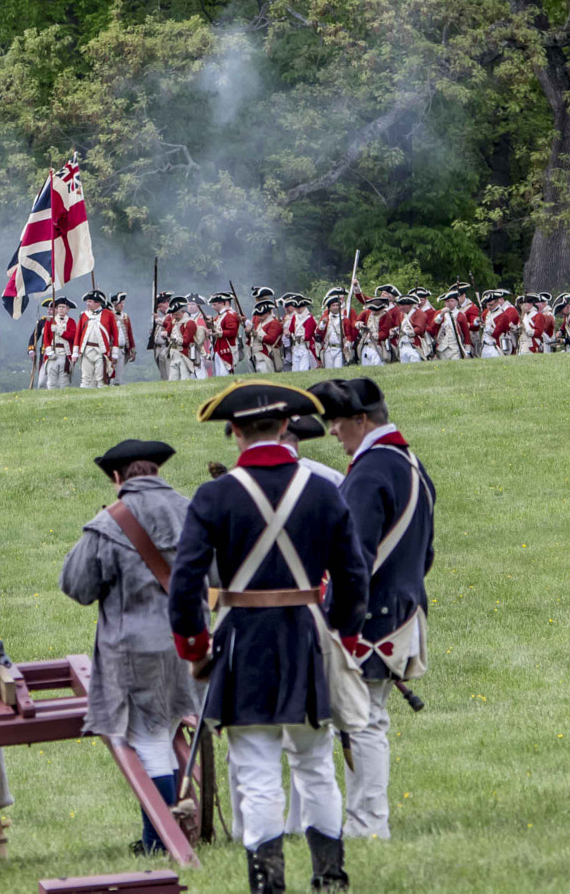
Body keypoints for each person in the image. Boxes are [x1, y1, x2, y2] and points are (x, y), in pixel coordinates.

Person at [169, 381, 367, 893]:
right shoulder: (322, 489)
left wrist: (194, 647)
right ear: (285, 427)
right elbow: (353, 574)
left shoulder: (215, 495)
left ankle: (268, 885)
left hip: (241, 643)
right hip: (306, 637)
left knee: (255, 770)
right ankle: (330, 878)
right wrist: (343, 636)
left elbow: (186, 581)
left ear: (234, 432)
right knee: (316, 765)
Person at [59, 438, 198, 856]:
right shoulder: (193, 511)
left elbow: (78, 586)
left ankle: (160, 843)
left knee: (150, 743)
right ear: (157, 471)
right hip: (190, 643)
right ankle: (171, 833)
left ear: (117, 478)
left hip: (137, 650)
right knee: (168, 733)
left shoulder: (111, 520)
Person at [311, 377, 435, 842]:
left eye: (338, 422)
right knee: (365, 721)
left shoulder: (370, 472)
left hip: (366, 618)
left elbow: (351, 559)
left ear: (361, 421)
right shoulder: (409, 464)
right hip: (398, 611)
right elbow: (426, 555)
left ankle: (366, 827)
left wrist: (341, 626)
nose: (333, 432)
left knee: (362, 724)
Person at [33, 296, 79, 389]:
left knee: (64, 381)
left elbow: (72, 337)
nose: (61, 309)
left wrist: (60, 331)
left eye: (63, 307)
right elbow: (46, 337)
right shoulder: (50, 321)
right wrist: (49, 350)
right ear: (56, 309)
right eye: (59, 307)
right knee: (51, 381)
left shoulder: (71, 322)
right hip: (52, 354)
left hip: (65, 354)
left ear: (68, 309)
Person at [77, 292, 119, 389]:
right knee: (86, 378)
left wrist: (115, 353)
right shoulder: (84, 315)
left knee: (101, 379)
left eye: (90, 301)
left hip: (101, 351)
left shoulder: (109, 315)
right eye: (87, 301)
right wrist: (76, 352)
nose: (87, 304)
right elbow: (78, 334)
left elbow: (115, 335)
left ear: (98, 303)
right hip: (86, 350)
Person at [111, 293, 136, 385]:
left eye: (123, 303)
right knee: (110, 374)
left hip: (122, 350)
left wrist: (132, 349)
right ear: (114, 304)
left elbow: (130, 334)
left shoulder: (125, 316)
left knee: (119, 376)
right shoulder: (109, 315)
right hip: (111, 349)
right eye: (120, 303)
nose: (122, 305)